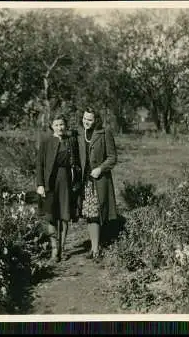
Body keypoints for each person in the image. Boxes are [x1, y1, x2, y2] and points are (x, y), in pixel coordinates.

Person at [36, 114, 81, 263]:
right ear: (51, 127)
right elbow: (40, 164)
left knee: (64, 214)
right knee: (50, 215)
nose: (59, 127)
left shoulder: (71, 141)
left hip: (66, 180)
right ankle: (54, 250)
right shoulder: (46, 142)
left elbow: (77, 163)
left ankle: (62, 248)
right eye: (56, 125)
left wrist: (77, 181)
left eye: (61, 124)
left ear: (65, 125)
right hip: (50, 182)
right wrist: (40, 184)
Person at [77, 107, 118, 262]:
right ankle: (95, 247)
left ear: (96, 121)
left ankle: (96, 248)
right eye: (84, 118)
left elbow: (112, 157)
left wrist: (100, 169)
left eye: (90, 119)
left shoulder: (104, 133)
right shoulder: (80, 134)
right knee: (89, 214)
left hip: (98, 179)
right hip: (85, 180)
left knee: (97, 212)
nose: (86, 122)